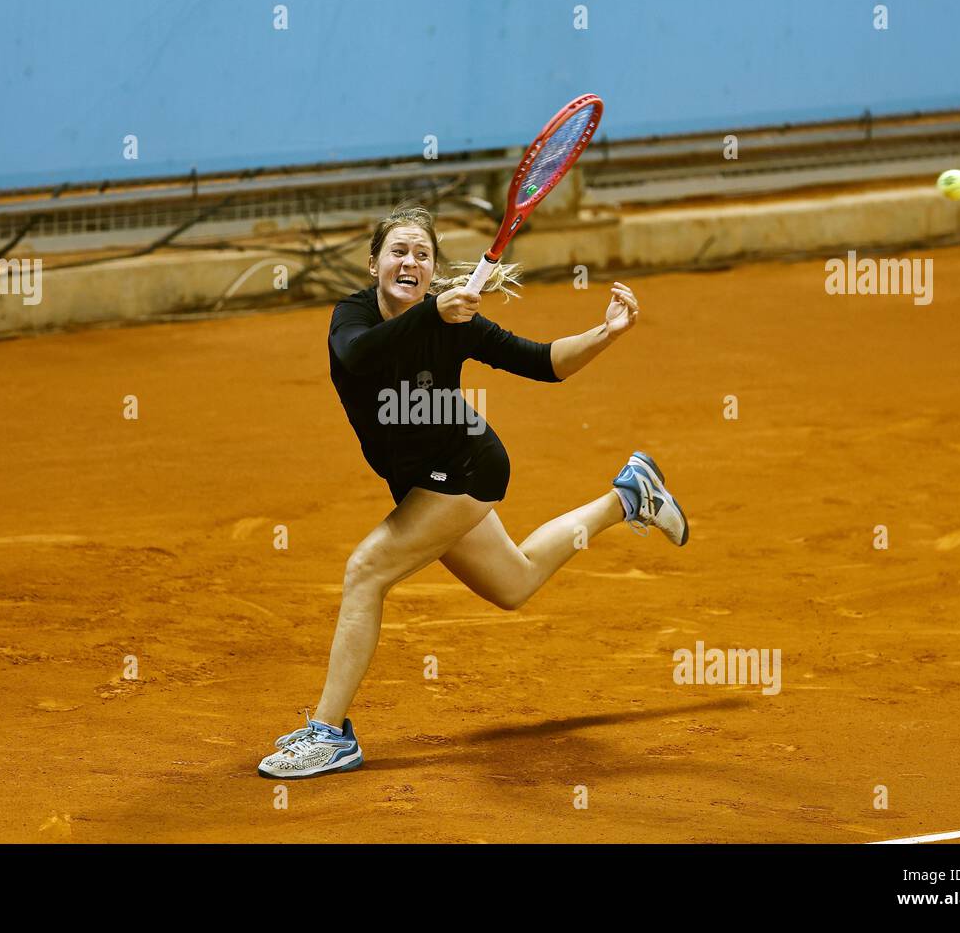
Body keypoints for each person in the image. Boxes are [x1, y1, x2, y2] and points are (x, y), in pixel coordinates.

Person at [257, 204, 687, 778]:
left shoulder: (453, 321)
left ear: (433, 270)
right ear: (373, 264)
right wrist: (433, 313)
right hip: (421, 481)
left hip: (467, 469)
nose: (409, 261)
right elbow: (361, 356)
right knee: (515, 582)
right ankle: (628, 496)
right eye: (398, 251)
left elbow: (543, 363)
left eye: (422, 254)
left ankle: (329, 734)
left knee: (366, 571)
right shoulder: (351, 317)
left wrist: (602, 333)